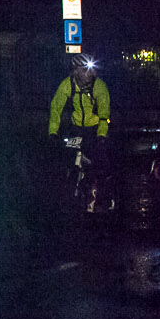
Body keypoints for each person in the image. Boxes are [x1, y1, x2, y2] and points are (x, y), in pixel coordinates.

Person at [48, 53, 112, 211]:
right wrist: (53, 132)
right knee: (65, 157)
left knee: (101, 162)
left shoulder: (99, 86)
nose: (89, 74)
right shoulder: (67, 84)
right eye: (84, 70)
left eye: (91, 70)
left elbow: (104, 114)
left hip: (95, 128)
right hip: (76, 127)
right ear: (75, 71)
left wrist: (101, 135)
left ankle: (106, 196)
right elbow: (55, 108)